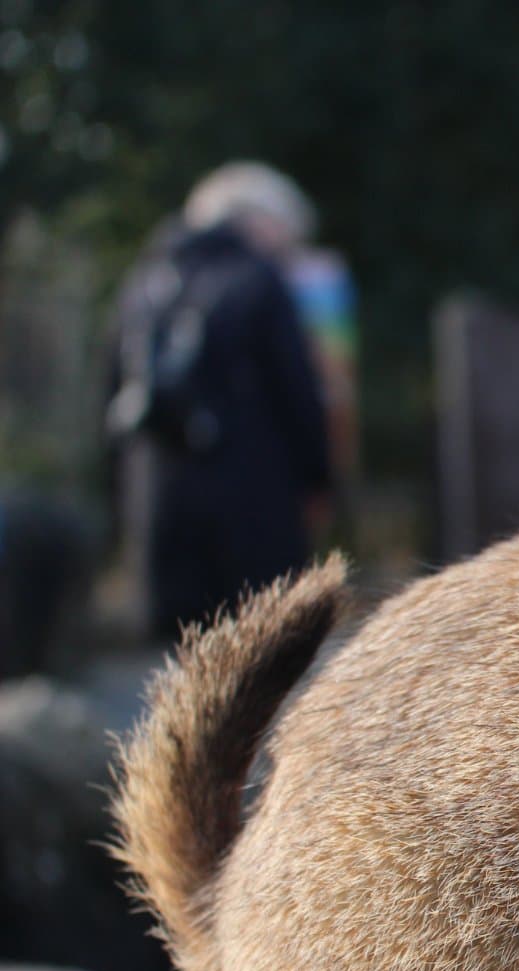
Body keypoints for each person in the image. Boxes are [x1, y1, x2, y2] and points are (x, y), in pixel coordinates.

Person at [105, 163, 334, 640]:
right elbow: (296, 392)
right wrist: (318, 477)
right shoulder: (258, 280)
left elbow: (110, 394)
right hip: (252, 505)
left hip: (158, 499)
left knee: (179, 662)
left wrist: (122, 495)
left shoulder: (143, 283)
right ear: (256, 221)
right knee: (263, 653)